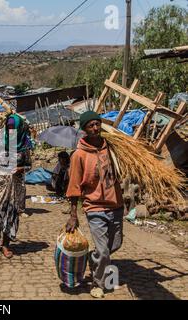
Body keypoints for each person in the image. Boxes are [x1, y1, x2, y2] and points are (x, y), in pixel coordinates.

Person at [65, 111, 124, 299]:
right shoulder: (79, 155)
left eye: (97, 124)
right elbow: (74, 186)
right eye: (91, 125)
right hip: (95, 207)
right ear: (84, 129)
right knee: (104, 251)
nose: (95, 128)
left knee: (115, 245)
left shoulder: (112, 149)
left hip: (116, 205)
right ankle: (98, 284)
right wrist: (73, 214)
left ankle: (94, 258)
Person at [0, 113, 30, 259]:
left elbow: (28, 164)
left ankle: (6, 244)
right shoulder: (0, 138)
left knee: (11, 214)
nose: (12, 130)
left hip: (16, 184)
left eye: (14, 128)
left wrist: (20, 169)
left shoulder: (25, 141)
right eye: (9, 127)